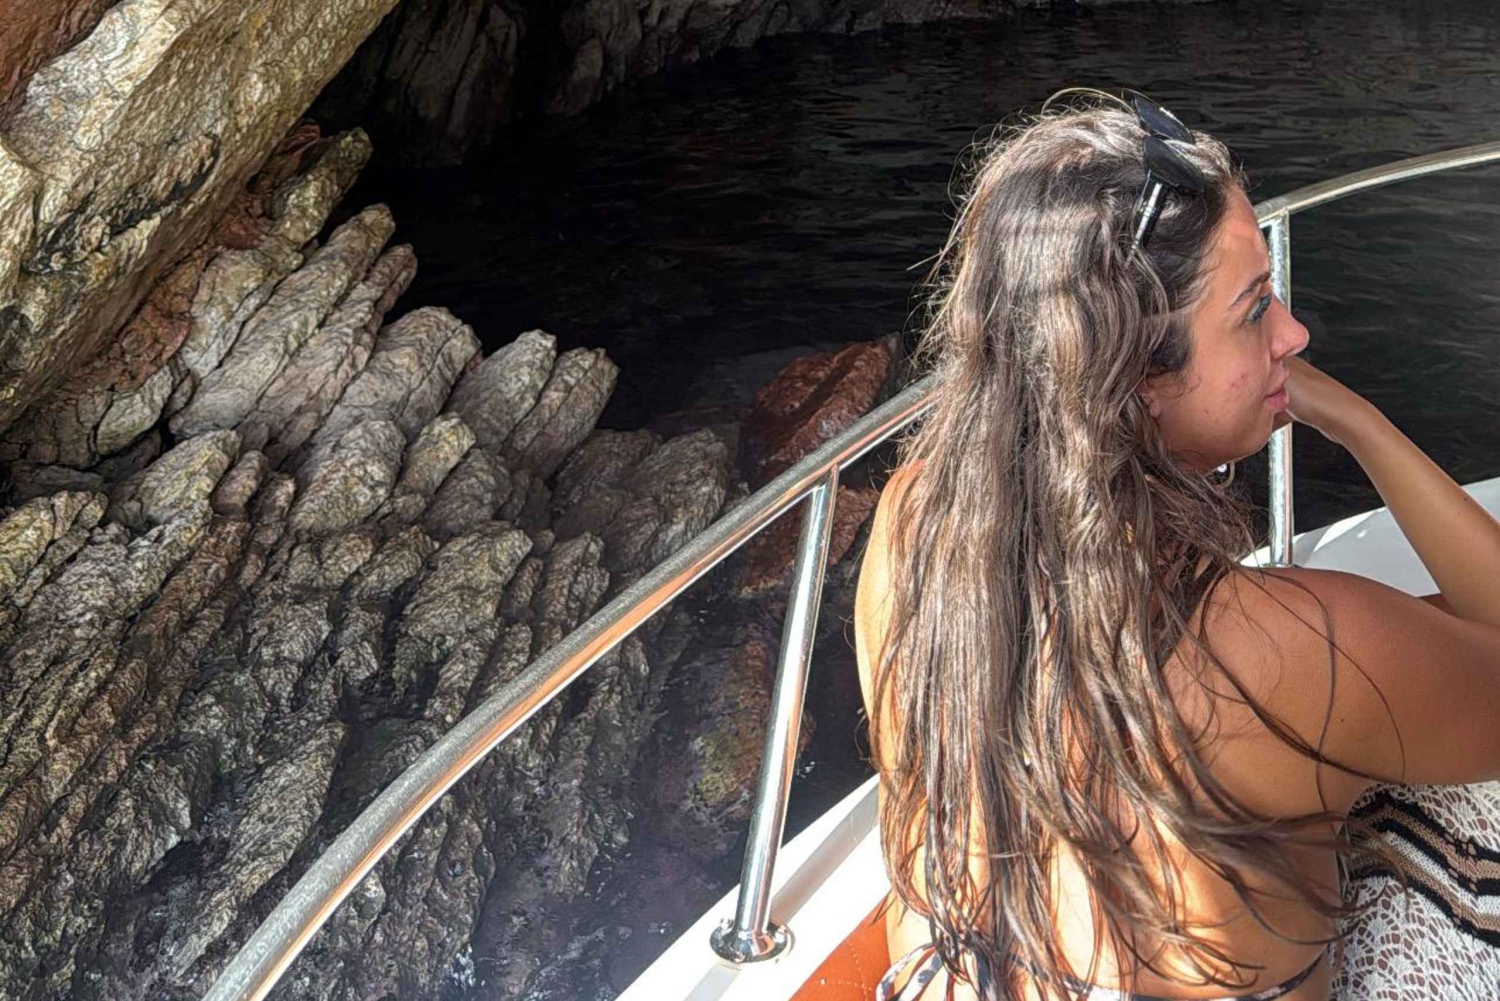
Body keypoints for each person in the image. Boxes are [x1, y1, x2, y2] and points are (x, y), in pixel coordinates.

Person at [852, 89, 1500, 1001]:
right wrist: (1362, 422)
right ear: (1135, 380)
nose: (1295, 335)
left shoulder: (917, 521)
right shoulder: (1275, 649)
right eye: (1255, 309)